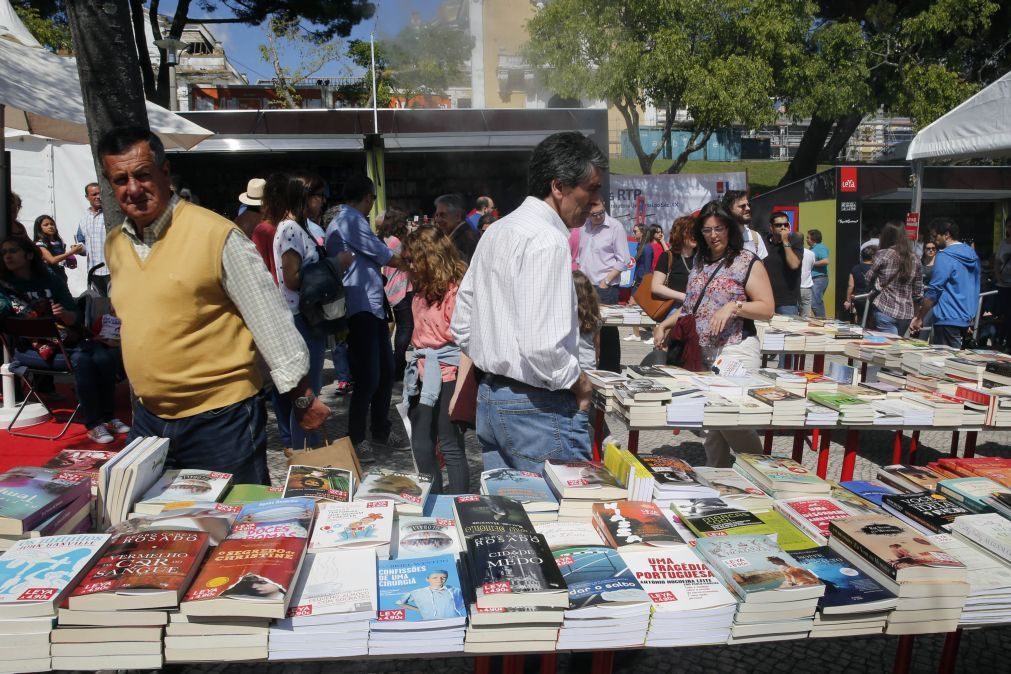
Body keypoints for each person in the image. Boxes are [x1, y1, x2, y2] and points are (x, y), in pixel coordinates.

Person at [96, 126, 328, 484]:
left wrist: (302, 398)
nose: (133, 188)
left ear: (165, 172)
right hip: (148, 419)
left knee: (232, 526)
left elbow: (269, 320)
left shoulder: (215, 234)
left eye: (143, 174)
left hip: (221, 420)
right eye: (120, 179)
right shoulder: (115, 244)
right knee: (152, 530)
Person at [451, 131, 605, 473]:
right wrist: (580, 385)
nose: (596, 200)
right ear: (559, 186)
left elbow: (462, 322)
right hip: (537, 408)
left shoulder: (498, 231)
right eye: (591, 188)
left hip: (492, 400)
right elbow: (542, 348)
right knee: (560, 519)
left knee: (512, 519)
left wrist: (496, 357)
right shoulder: (547, 240)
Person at [653, 201, 774, 467]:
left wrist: (734, 307)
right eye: (707, 230)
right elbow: (693, 306)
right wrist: (666, 324)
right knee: (710, 423)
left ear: (730, 229)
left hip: (736, 348)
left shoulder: (746, 261)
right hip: (703, 350)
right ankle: (717, 475)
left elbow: (767, 308)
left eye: (719, 229)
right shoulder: (699, 261)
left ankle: (764, 469)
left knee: (731, 419)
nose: (713, 235)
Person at [0, 236, 127, 444]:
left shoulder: (50, 280)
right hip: (29, 348)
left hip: (65, 340)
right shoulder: (3, 285)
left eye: (13, 251)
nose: (8, 256)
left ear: (29, 255)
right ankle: (94, 424)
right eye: (4, 253)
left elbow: (74, 315)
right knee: (83, 360)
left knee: (105, 356)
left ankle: (108, 417)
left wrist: (66, 316)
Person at [326, 175, 409, 461]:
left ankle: (380, 429)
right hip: (359, 306)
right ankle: (357, 438)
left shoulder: (348, 220)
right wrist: (415, 263)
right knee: (368, 377)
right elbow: (383, 255)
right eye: (373, 198)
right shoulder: (349, 220)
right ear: (367, 197)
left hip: (371, 305)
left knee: (385, 372)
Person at [402, 226, 471, 495]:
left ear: (430, 257)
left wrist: (459, 395)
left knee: (450, 443)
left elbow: (467, 343)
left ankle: (458, 504)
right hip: (423, 373)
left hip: (451, 373)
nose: (408, 266)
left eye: (412, 260)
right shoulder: (420, 291)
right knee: (421, 444)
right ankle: (433, 500)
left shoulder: (456, 293)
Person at [272, 172, 329, 452]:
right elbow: (292, 278)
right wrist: (330, 269)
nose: (322, 201)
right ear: (304, 197)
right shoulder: (291, 229)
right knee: (307, 395)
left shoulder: (300, 227)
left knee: (306, 393)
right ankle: (307, 455)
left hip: (306, 317)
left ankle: (307, 450)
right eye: (318, 196)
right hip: (301, 319)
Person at [576, 199, 630, 370]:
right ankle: (588, 364)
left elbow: (624, 260)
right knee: (585, 326)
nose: (598, 217)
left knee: (608, 329)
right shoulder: (583, 226)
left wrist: (607, 280)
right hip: (584, 285)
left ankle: (611, 368)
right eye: (593, 215)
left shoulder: (615, 227)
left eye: (600, 213)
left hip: (605, 286)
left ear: (604, 207)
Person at [910, 218, 981, 348]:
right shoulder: (972, 254)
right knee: (957, 363)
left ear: (947, 235)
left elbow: (934, 290)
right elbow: (975, 286)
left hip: (947, 316)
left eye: (935, 235)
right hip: (966, 317)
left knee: (944, 364)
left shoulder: (944, 256)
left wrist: (920, 317)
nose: (934, 239)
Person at [866, 223, 923, 337]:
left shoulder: (883, 254)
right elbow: (918, 292)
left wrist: (877, 285)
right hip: (906, 313)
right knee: (896, 345)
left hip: (885, 308)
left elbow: (868, 278)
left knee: (890, 348)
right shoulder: (915, 258)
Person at [378, 209, 414, 384]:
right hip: (400, 288)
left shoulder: (385, 239)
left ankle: (396, 363)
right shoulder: (396, 242)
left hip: (391, 287)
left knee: (400, 326)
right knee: (405, 327)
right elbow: (410, 257)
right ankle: (397, 364)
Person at [650, 216, 696, 312]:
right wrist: (683, 297)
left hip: (697, 309)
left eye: (696, 232)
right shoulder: (668, 256)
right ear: (680, 234)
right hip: (674, 308)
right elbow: (656, 287)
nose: (694, 236)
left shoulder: (702, 257)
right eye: (690, 232)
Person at [762, 212, 803, 317]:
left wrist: (785, 241)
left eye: (785, 224)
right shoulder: (765, 242)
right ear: (771, 227)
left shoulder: (795, 240)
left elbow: (794, 264)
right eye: (778, 225)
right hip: (766, 300)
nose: (783, 227)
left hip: (787, 302)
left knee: (787, 332)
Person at [74, 183, 110, 295]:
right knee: (100, 306)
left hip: (111, 271)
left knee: (116, 305)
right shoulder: (84, 218)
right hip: (93, 272)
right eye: (94, 194)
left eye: (100, 193)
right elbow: (83, 245)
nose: (98, 197)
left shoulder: (110, 215)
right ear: (87, 197)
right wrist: (79, 249)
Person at [625, 223, 654, 342]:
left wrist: (643, 284)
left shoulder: (647, 248)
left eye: (635, 231)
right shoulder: (639, 246)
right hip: (637, 281)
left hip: (643, 282)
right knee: (632, 307)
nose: (634, 233)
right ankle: (636, 335)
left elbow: (647, 268)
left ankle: (654, 334)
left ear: (642, 232)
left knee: (648, 309)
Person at [397, 570, 465, 620]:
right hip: (430, 623)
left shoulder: (456, 590)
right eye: (435, 577)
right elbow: (400, 603)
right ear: (427, 579)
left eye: (443, 577)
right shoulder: (418, 592)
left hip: (455, 621)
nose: (439, 580)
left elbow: (464, 603)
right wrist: (419, 609)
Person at [33, 215, 83, 282]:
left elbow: (61, 260)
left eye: (52, 224)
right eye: (46, 225)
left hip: (61, 276)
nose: (50, 226)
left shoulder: (59, 242)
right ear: (39, 228)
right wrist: (71, 252)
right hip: (48, 277)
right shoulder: (40, 244)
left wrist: (69, 261)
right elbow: (52, 260)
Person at [433, 194, 480, 264]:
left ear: (458, 216)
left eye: (443, 215)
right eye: (437, 215)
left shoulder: (466, 239)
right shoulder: (456, 235)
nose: (438, 219)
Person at [721, 190, 767, 260]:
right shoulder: (720, 237)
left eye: (748, 205)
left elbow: (761, 267)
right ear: (729, 209)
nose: (748, 208)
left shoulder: (755, 237)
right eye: (742, 206)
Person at [572, 270, 601, 369]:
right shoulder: (594, 316)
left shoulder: (566, 317)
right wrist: (596, 361)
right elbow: (596, 344)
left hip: (569, 367)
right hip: (589, 364)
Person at [844, 245, 876, 325]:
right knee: (871, 321)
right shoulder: (876, 268)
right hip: (873, 298)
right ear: (873, 257)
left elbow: (851, 285)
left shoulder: (855, 268)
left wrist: (848, 300)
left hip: (858, 298)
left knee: (860, 319)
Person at [994, 219, 1011, 349]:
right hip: (1003, 285)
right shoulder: (1003, 244)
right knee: (1004, 315)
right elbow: (997, 262)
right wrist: (999, 277)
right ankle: (1001, 341)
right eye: (1008, 226)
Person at [807, 229, 830, 318]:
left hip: (819, 278)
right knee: (813, 301)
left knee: (815, 301)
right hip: (814, 278)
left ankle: (822, 320)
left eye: (808, 238)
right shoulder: (812, 248)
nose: (806, 240)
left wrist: (812, 263)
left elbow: (825, 261)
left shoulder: (820, 247)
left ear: (813, 239)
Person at [798, 246, 815, 317]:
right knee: (806, 315)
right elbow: (811, 266)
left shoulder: (790, 252)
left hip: (795, 287)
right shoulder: (811, 253)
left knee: (793, 315)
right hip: (807, 286)